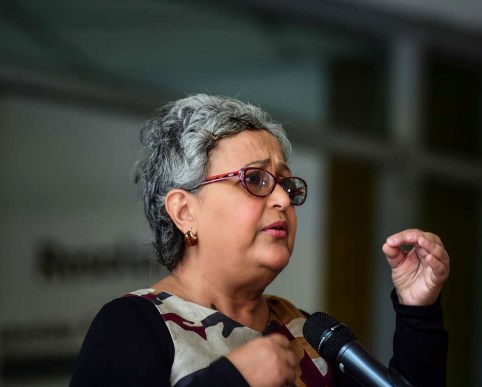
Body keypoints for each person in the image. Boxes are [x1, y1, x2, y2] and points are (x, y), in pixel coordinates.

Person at [70, 94, 449, 386]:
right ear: (185, 211)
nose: (283, 199)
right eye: (254, 179)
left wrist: (418, 312)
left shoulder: (309, 333)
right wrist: (233, 380)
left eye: (286, 184)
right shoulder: (135, 325)